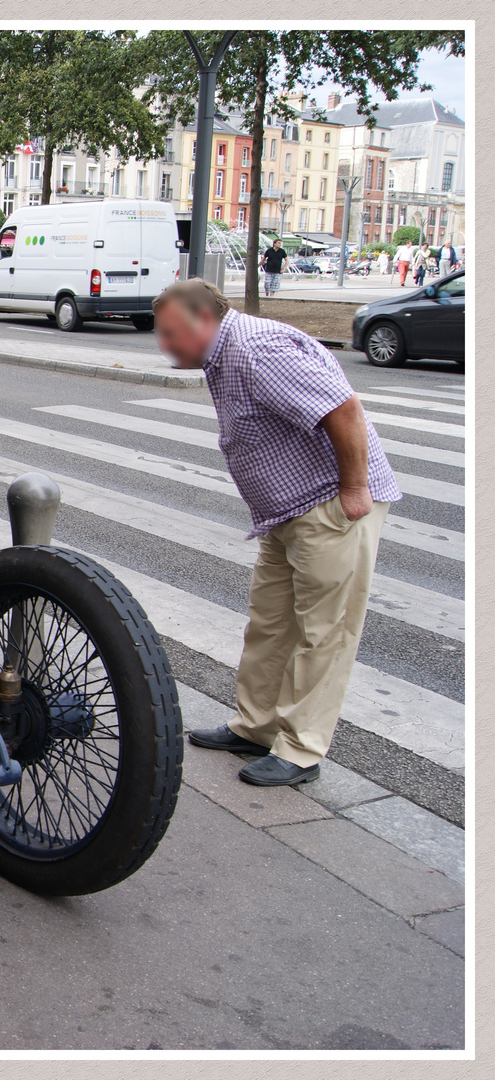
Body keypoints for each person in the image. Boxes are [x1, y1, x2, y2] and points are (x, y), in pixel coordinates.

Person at [153, 279, 401, 787]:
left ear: (204, 320)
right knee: (270, 622)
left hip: (330, 505)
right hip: (287, 512)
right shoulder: (224, 355)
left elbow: (344, 411)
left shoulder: (258, 350)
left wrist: (355, 490)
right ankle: (256, 726)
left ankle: (301, 750)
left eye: (172, 334)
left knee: (324, 633)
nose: (166, 346)